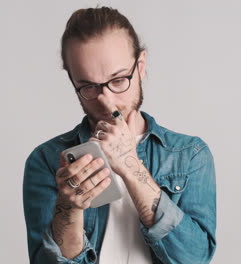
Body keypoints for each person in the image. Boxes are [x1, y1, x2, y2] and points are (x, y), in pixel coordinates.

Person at [23, 6, 216, 264]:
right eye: (89, 87)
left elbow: (196, 258)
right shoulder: (46, 160)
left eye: (118, 80)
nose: (106, 101)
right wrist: (68, 208)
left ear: (141, 66)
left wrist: (130, 164)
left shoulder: (190, 155)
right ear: (73, 82)